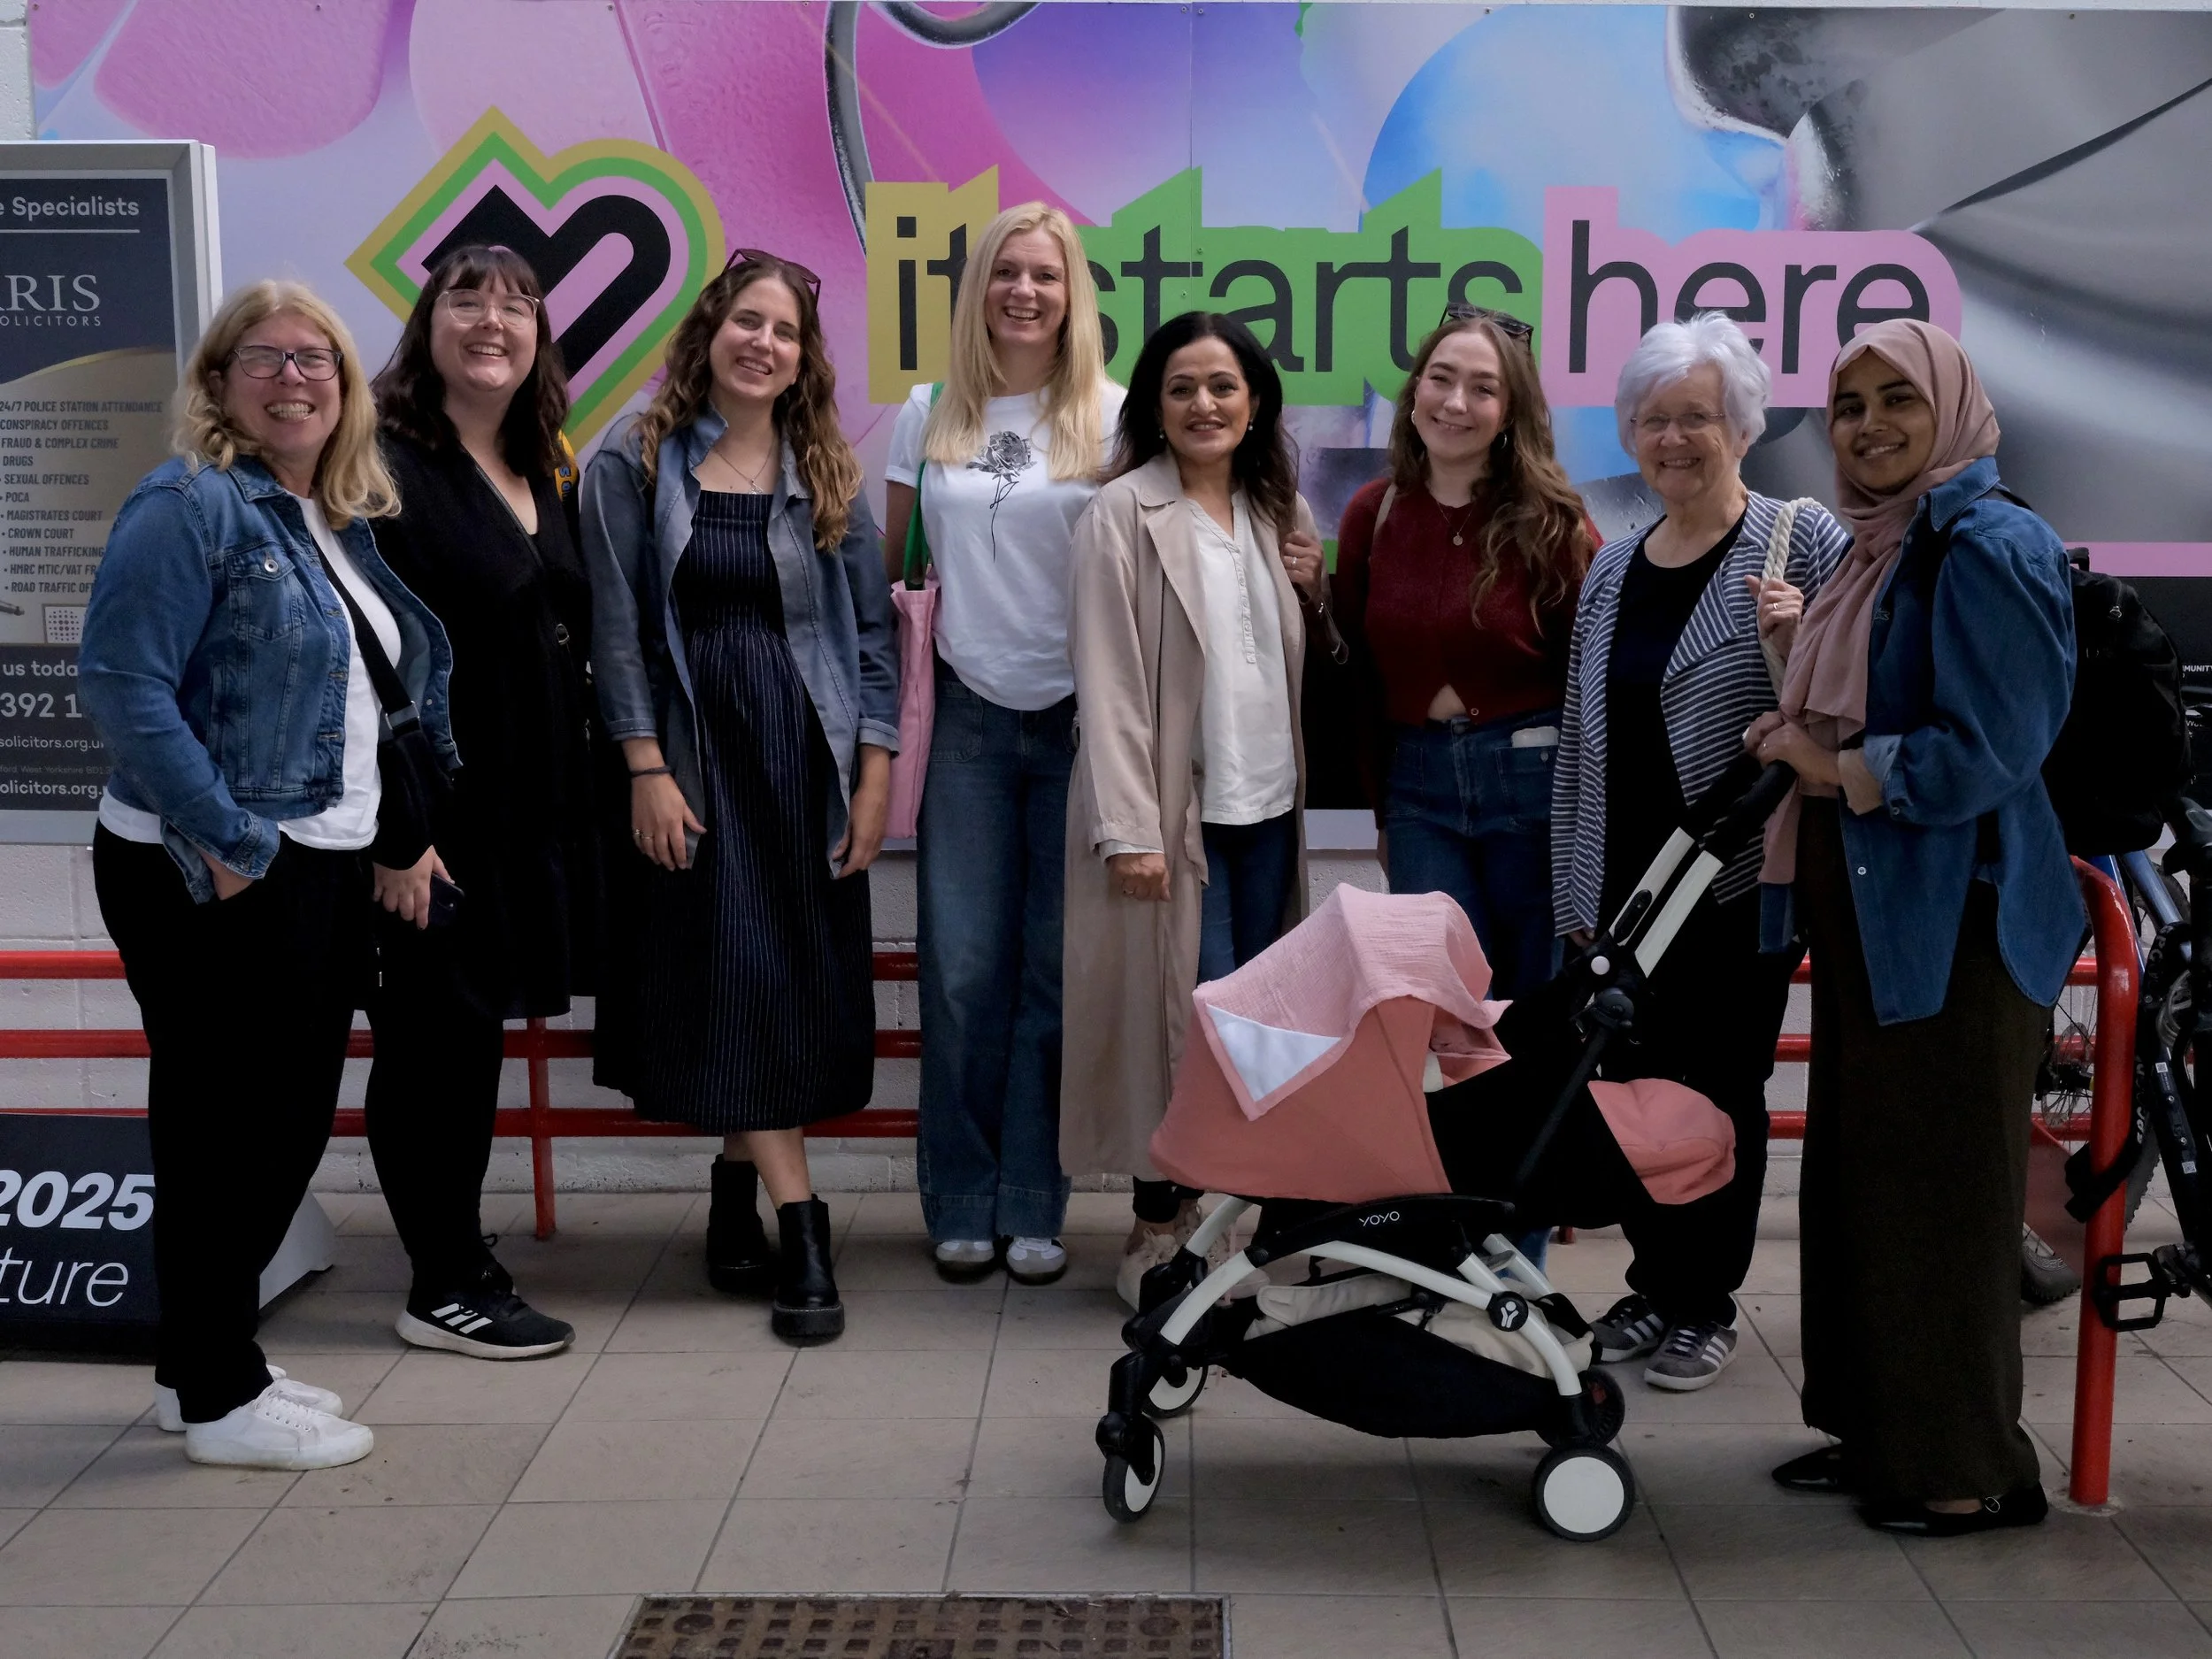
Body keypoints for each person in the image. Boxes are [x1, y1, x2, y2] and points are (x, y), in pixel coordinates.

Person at [80, 281, 455, 1468]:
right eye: (266, 358)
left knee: (277, 1128)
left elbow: (357, 708)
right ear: (218, 380)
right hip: (214, 868)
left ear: (346, 389)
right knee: (227, 1133)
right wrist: (230, 842)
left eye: (317, 360)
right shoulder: (186, 502)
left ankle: (201, 1368)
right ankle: (220, 1395)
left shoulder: (323, 516)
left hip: (315, 863)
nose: (294, 379)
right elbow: (123, 686)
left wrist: (387, 835)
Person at [1749, 319, 2077, 1534]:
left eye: (1899, 398)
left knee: (1942, 1194)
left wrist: (1836, 770)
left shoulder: (1990, 543)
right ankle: (1876, 1430)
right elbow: (1867, 697)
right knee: (1864, 1179)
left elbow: (1992, 747)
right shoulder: (1880, 544)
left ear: (1953, 407)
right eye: (1849, 404)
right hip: (1880, 905)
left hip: (1962, 922)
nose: (1870, 424)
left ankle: (1968, 1469)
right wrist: (1798, 701)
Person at [584, 248, 897, 1345]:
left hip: (802, 763)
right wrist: (645, 767)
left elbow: (871, 639)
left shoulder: (829, 469)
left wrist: (874, 773)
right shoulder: (634, 455)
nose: (763, 344)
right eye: (747, 322)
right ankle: (802, 1225)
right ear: (709, 331)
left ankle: (731, 1203)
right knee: (737, 967)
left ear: (805, 358)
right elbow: (616, 629)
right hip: (695, 759)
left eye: (786, 331)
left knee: (780, 980)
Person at [1553, 314, 1850, 1391]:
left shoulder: (1798, 542)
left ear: (1743, 427)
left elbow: (1842, 712)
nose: (1671, 438)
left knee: (1718, 1092)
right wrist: (1572, 893)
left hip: (1730, 888)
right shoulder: (1612, 567)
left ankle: (1704, 1301)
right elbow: (1580, 745)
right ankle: (1652, 1281)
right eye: (1651, 419)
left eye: (1695, 418)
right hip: (1624, 888)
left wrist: (1790, 638)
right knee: (1631, 1086)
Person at [1062, 312, 1330, 1307]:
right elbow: (1108, 684)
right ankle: (1159, 1229)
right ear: (1153, 406)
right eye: (1181, 388)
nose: (1204, 404)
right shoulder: (1121, 513)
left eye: (1223, 386)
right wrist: (1130, 830)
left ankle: (1235, 1225)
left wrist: (1317, 594)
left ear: (1255, 402)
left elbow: (1296, 662)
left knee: (1257, 1029)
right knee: (1180, 1027)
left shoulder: (1277, 511)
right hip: (1177, 823)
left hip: (1267, 814)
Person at [882, 204, 1122, 1285]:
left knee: (1054, 977)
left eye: (1046, 275)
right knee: (962, 973)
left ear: (1073, 296)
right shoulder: (926, 413)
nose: (1025, 291)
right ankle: (959, 1198)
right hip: (968, 724)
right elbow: (891, 574)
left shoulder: (1114, 417)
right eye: (1006, 273)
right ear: (978, 288)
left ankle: (1033, 1200)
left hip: (1079, 723)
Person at [362, 245, 592, 1360]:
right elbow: (358, 659)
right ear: (428, 325)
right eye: (467, 298)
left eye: (516, 304)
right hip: (428, 825)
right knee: (432, 1054)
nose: (492, 319)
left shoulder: (542, 463)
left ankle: (455, 1251)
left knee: (467, 1047)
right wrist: (395, 836)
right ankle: (442, 1283)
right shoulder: (381, 466)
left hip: (518, 820)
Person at [1333, 308, 1596, 1000]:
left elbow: (1591, 681)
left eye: (1483, 388)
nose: (1455, 402)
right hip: (1418, 793)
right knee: (1446, 1006)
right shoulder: (1371, 514)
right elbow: (1359, 680)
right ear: (1415, 389)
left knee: (1536, 1009)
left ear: (1510, 413)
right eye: (1441, 379)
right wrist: (1383, 813)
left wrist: (1588, 830)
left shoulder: (1555, 522)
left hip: (1534, 782)